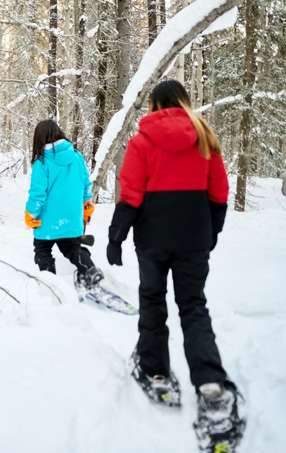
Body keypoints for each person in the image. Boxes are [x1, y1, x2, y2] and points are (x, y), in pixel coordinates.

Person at [105, 80, 239, 415]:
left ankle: (156, 373)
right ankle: (209, 379)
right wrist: (211, 232)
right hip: (193, 238)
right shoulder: (205, 138)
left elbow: (131, 194)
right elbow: (219, 193)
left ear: (154, 105)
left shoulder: (142, 142)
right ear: (184, 102)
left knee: (152, 301)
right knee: (193, 305)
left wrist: (116, 236)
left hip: (152, 238)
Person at [24, 119, 103, 288]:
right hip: (72, 217)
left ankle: (52, 286)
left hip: (47, 220)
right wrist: (87, 207)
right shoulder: (76, 156)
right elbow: (86, 186)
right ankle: (89, 270)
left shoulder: (42, 163)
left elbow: (38, 194)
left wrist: (30, 214)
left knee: (42, 250)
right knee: (72, 248)